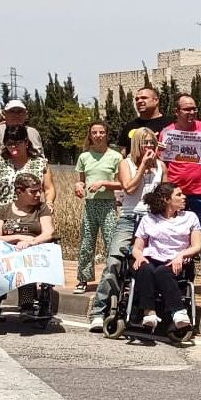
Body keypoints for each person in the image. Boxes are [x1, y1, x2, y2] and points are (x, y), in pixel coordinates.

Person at [89, 129, 164, 332]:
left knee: (149, 262)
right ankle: (98, 311)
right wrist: (142, 167)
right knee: (114, 261)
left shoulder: (160, 166)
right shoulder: (126, 163)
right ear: (137, 145)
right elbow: (129, 188)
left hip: (150, 219)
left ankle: (145, 308)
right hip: (130, 217)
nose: (149, 147)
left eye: (152, 143)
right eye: (145, 143)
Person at [161, 95, 201, 301]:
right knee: (173, 237)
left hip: (200, 192)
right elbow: (159, 159)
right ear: (177, 112)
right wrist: (159, 150)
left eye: (194, 108)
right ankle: (175, 278)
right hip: (175, 193)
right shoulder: (167, 132)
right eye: (186, 109)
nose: (191, 112)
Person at [128, 183, 201, 332]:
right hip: (152, 257)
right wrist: (139, 257)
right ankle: (149, 313)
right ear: (167, 199)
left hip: (178, 260)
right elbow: (137, 248)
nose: (184, 197)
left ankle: (179, 312)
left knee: (162, 271)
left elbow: (197, 246)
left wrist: (181, 255)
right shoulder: (149, 219)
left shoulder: (190, 217)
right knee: (145, 268)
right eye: (179, 195)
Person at [0, 173, 56, 318]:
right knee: (1, 264)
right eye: (33, 191)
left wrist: (30, 242)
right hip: (7, 250)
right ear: (19, 192)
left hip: (32, 251)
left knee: (24, 264)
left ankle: (26, 304)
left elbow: (49, 232)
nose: (38, 195)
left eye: (39, 191)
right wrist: (18, 237)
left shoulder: (41, 209)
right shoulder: (4, 210)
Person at [69, 122, 123, 294]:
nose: (98, 135)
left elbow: (121, 184)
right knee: (86, 243)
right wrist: (78, 185)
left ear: (107, 134)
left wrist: (104, 184)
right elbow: (82, 179)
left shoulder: (115, 157)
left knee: (110, 242)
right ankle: (83, 278)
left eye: (101, 132)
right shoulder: (84, 157)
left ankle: (112, 278)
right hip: (90, 204)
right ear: (90, 135)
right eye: (94, 132)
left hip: (108, 204)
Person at [0, 124, 53, 211]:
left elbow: (49, 188)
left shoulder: (41, 163)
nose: (13, 147)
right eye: (9, 144)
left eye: (18, 143)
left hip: (32, 215)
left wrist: (49, 202)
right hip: (2, 213)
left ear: (26, 142)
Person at [0, 98, 47, 162]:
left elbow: (41, 159)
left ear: (26, 114)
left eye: (20, 111)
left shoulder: (33, 133)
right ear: (4, 114)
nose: (16, 115)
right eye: (12, 111)